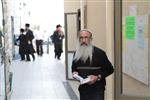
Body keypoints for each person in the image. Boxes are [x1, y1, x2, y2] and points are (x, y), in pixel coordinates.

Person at [71, 29, 114, 100]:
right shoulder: (76, 54)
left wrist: (97, 77)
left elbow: (110, 69)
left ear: (90, 39)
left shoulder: (99, 53)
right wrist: (74, 73)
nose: (83, 40)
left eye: (86, 37)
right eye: (81, 38)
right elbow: (74, 68)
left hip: (97, 90)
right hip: (83, 89)